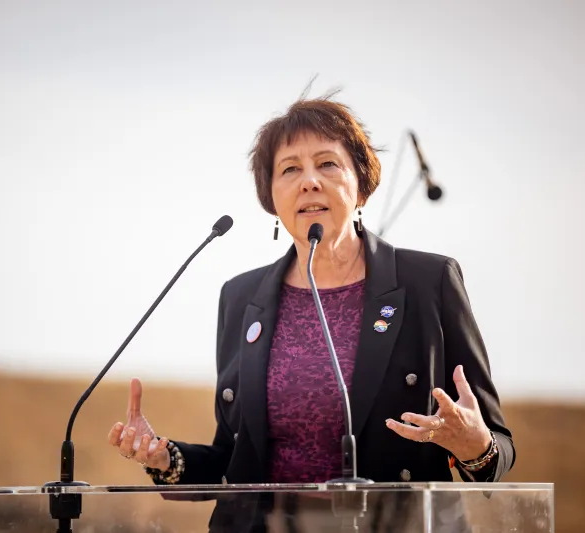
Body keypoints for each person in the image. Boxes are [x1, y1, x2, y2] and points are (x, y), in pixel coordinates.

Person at [106, 93, 516, 531]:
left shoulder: (428, 282)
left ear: (361, 183)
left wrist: (476, 445)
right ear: (272, 197)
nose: (309, 181)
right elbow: (235, 461)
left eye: (327, 164)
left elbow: (499, 450)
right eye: (289, 170)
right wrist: (165, 457)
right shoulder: (242, 298)